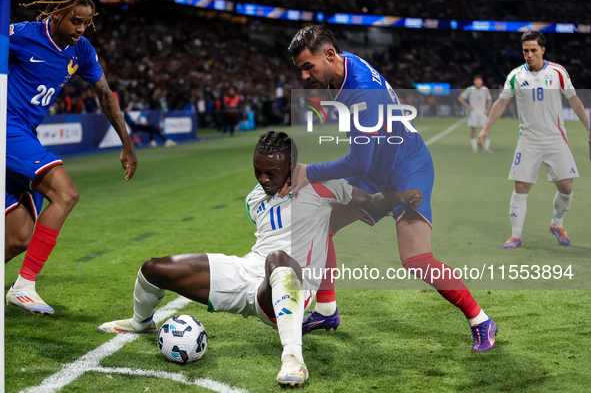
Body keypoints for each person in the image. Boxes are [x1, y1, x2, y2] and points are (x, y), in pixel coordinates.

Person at [97, 131, 422, 386]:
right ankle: (141, 322)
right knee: (154, 268)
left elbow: (374, 201)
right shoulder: (255, 198)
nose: (263, 179)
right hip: (250, 272)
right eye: (258, 171)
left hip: (294, 287)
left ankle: (293, 358)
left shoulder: (325, 186)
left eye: (272, 172)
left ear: (292, 167)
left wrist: (401, 198)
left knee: (279, 260)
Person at [287, 25, 497, 351]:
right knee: (320, 224)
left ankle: (481, 320)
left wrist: (309, 171)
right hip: (379, 169)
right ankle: (326, 309)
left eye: (307, 66)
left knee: (416, 258)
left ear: (329, 55)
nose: (303, 76)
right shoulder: (345, 67)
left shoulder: (360, 92)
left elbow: (358, 162)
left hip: (407, 168)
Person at [5, 0, 138, 315]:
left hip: (25, 135)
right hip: (6, 129)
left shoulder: (82, 50)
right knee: (66, 194)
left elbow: (105, 94)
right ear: (56, 15)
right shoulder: (22, 35)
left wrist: (127, 141)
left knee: (18, 236)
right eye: (76, 21)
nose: (81, 29)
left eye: (86, 22)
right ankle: (24, 286)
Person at [477, 30, 590, 249]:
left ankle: (557, 224)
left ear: (542, 50)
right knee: (521, 186)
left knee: (566, 187)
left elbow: (574, 99)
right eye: (525, 51)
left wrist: (588, 128)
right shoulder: (515, 75)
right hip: (528, 139)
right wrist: (486, 127)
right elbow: (501, 102)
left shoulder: (557, 72)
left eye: (533, 50)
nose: (528, 55)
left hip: (556, 138)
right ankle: (515, 235)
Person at [458, 75, 492, 153]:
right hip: (473, 113)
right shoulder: (470, 89)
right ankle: (475, 149)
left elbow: (489, 99)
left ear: (482, 82)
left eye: (479, 81)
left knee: (486, 130)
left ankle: (486, 148)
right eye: (477, 81)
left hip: (483, 113)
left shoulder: (485, 90)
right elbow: (460, 98)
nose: (478, 82)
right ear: (474, 82)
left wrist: (488, 109)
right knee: (473, 130)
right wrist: (468, 106)